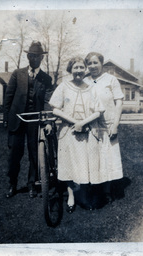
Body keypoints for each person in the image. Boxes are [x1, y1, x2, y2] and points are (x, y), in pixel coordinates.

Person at [49, 57, 105, 213]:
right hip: (68, 131)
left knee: (86, 163)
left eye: (81, 67)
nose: (79, 70)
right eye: (76, 67)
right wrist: (75, 122)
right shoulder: (63, 87)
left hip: (87, 131)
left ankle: (84, 196)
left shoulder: (91, 88)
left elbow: (99, 111)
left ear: (85, 69)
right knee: (69, 163)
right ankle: (71, 196)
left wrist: (83, 123)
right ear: (70, 70)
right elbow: (55, 109)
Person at [4, 41, 53, 198]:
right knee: (14, 155)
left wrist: (46, 120)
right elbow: (9, 97)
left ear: (42, 58)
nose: (35, 59)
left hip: (34, 121)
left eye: (38, 57)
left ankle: (32, 184)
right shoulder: (17, 74)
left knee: (35, 154)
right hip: (17, 120)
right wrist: (7, 119)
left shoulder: (46, 78)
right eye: (32, 56)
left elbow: (47, 100)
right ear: (27, 56)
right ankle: (12, 184)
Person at [84, 52, 124, 203]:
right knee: (93, 157)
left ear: (101, 64)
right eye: (90, 63)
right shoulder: (85, 80)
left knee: (108, 157)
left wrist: (115, 124)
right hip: (91, 124)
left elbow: (119, 102)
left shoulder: (111, 79)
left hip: (108, 123)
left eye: (95, 63)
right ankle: (93, 188)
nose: (93, 66)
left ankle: (107, 190)